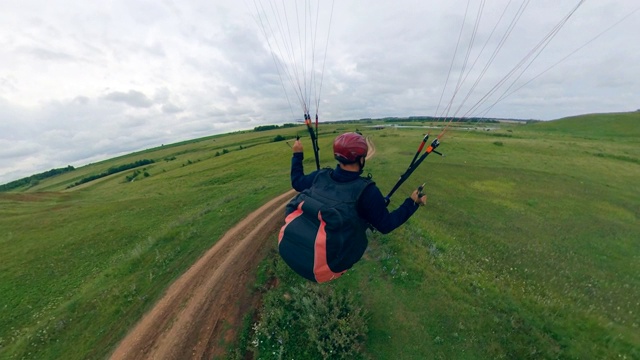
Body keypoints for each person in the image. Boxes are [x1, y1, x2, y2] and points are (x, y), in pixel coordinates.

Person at [278, 132, 427, 283]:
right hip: (328, 268)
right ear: (361, 159)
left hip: (293, 250)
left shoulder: (320, 176)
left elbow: (297, 182)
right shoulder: (367, 191)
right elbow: (386, 225)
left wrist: (297, 154)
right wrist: (412, 203)